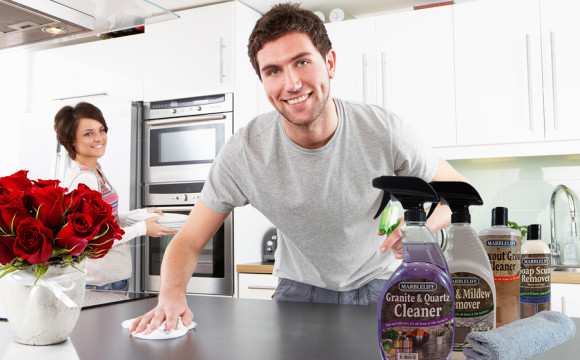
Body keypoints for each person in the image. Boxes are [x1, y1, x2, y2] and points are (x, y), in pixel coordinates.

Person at [131, 3, 469, 333]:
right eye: (273, 71)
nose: (291, 84)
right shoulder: (245, 151)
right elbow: (189, 239)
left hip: (378, 285)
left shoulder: (383, 130)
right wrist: (170, 295)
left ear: (330, 62)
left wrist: (419, 229)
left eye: (302, 62)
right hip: (297, 290)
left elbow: (459, 194)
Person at [54, 102, 177, 291]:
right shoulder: (84, 178)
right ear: (71, 141)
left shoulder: (94, 170)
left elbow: (104, 220)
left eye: (101, 130)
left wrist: (139, 214)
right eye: (88, 133)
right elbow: (96, 237)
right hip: (99, 281)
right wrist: (142, 228)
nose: (99, 138)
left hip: (108, 278)